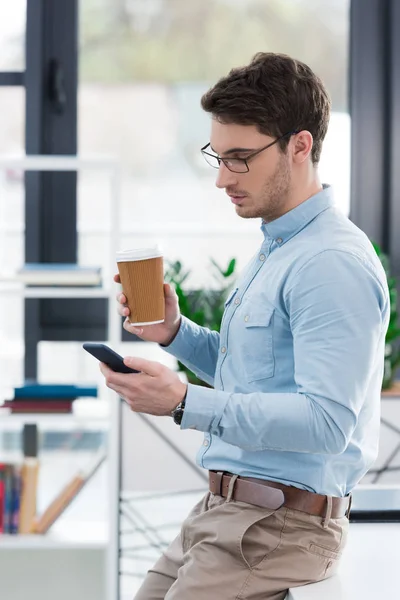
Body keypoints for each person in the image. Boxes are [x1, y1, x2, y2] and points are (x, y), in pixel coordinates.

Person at [100, 52, 390, 600]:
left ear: (299, 146)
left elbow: (327, 422)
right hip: (225, 513)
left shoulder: (330, 263)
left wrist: (184, 402)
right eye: (217, 156)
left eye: (239, 159)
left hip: (282, 528)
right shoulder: (279, 246)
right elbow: (260, 374)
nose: (221, 179)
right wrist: (177, 333)